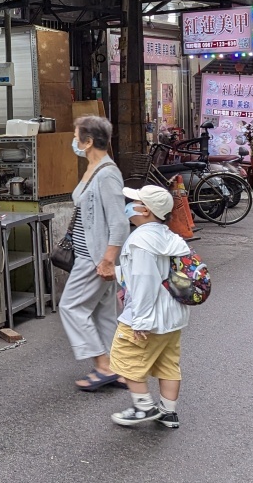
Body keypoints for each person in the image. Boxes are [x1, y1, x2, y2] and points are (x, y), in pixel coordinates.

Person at [59, 115, 130, 391]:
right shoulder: (93, 168)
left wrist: (108, 260)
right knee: (103, 313)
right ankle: (121, 371)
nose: (74, 142)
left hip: (96, 256)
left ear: (88, 142)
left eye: (77, 137)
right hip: (93, 253)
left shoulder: (107, 174)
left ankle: (103, 365)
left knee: (71, 307)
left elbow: (119, 222)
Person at [109, 185, 190, 428]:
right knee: (168, 363)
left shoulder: (141, 240)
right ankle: (168, 412)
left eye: (133, 201)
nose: (128, 206)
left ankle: (144, 407)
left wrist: (140, 321)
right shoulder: (168, 236)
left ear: (144, 210)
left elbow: (144, 281)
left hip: (148, 316)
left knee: (125, 357)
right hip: (173, 315)